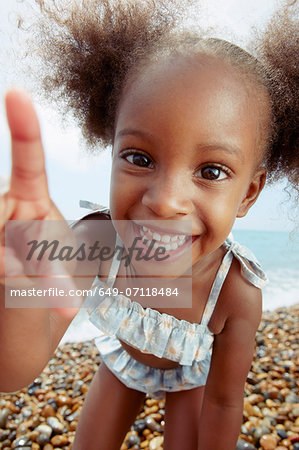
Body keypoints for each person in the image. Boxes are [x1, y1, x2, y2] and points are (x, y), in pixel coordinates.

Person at [0, 0, 298, 448]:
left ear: (250, 193)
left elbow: (223, 403)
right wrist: (15, 284)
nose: (165, 202)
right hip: (123, 364)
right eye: (139, 158)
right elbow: (14, 371)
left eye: (211, 171)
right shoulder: (94, 242)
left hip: (191, 378)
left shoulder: (234, 291)